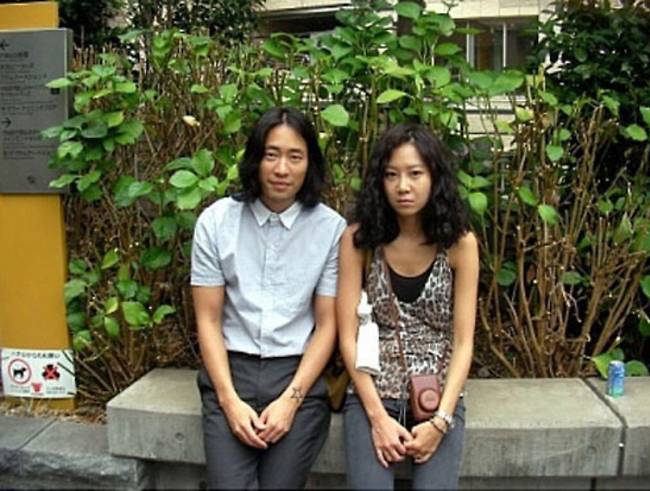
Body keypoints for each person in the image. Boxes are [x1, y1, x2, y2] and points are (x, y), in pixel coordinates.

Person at [191, 107, 346, 489]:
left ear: (309, 164)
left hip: (298, 374)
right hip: (231, 371)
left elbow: (327, 325)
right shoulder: (216, 222)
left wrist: (291, 400)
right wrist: (229, 400)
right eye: (271, 155)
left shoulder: (331, 229)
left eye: (295, 157)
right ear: (255, 159)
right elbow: (208, 320)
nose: (281, 169)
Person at [337, 123, 478, 490]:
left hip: (438, 394)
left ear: (434, 178)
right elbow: (347, 336)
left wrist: (441, 421)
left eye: (415, 174)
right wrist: (377, 417)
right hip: (372, 389)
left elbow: (463, 342)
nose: (403, 186)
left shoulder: (459, 243)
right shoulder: (359, 239)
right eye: (391, 175)